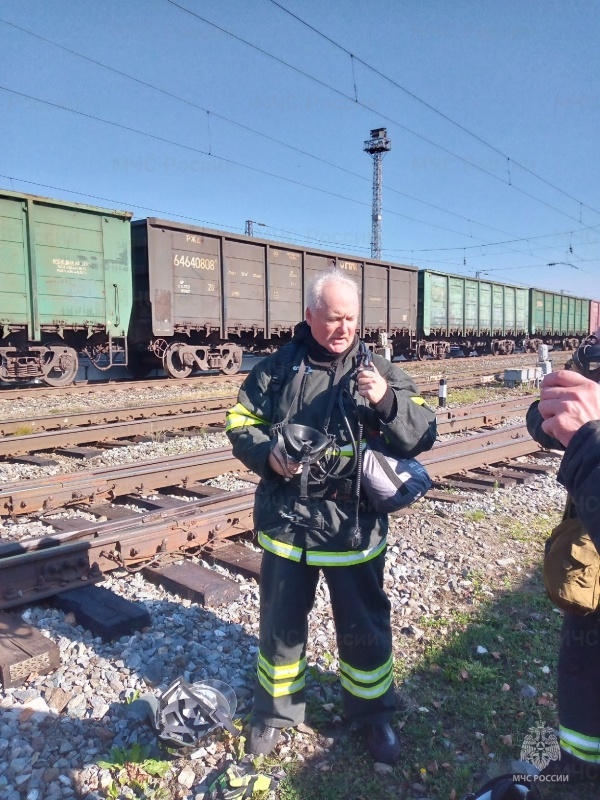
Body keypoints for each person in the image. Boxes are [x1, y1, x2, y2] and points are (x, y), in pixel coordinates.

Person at [226, 269, 436, 763]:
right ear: (309, 316)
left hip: (352, 528)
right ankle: (276, 712)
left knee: (364, 625)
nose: (342, 328)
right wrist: (267, 455)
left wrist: (385, 400)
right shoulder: (276, 369)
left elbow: (422, 433)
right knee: (280, 625)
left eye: (350, 318)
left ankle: (372, 716)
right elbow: (240, 423)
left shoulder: (378, 370)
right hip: (288, 526)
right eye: (332, 318)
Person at [526, 362, 600, 782]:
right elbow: (542, 417)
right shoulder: (592, 357)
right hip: (588, 554)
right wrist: (557, 416)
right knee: (581, 662)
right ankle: (577, 763)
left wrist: (591, 434)